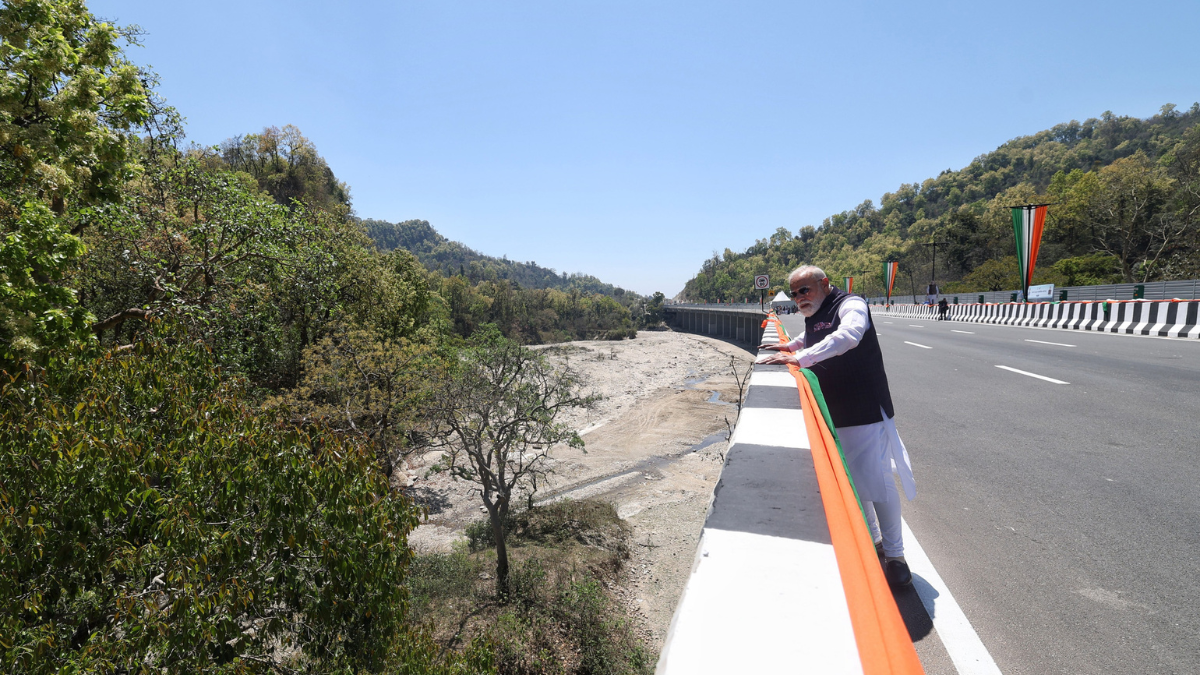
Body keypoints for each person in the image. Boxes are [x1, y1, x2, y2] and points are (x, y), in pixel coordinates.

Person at [757, 266, 916, 587]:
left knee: (878, 480)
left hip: (864, 408)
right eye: (795, 293)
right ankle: (873, 541)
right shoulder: (815, 311)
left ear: (825, 284)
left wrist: (800, 358)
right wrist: (791, 346)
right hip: (834, 410)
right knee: (855, 481)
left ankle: (896, 557)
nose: (799, 297)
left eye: (805, 290)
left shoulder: (850, 304)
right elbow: (814, 335)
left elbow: (848, 335)